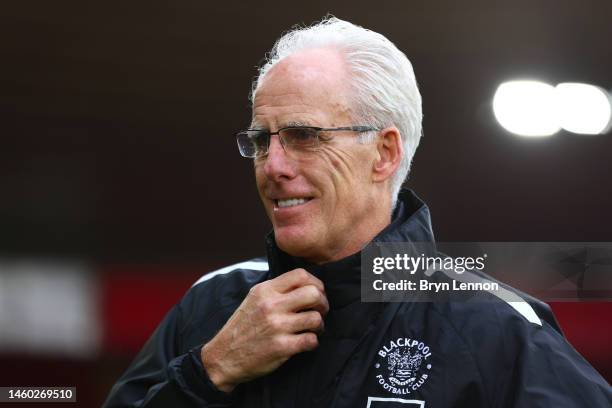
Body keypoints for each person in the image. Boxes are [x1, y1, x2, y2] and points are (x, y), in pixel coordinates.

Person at [103, 17, 611, 407]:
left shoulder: (495, 326)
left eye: (305, 136)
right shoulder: (210, 307)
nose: (272, 166)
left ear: (385, 153)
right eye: (262, 141)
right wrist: (207, 373)